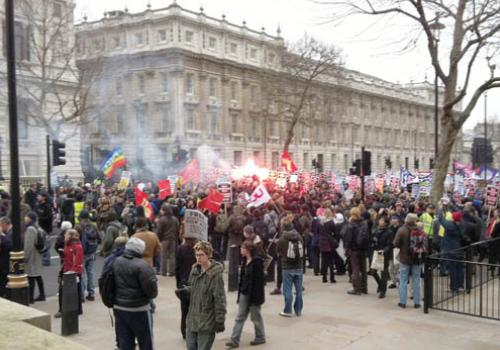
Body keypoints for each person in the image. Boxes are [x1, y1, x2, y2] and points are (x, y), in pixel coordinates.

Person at [112, 237, 158, 350]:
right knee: (146, 343)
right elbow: (152, 291)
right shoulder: (143, 266)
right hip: (139, 309)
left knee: (125, 343)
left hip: (120, 307)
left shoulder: (116, 261)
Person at [185, 241, 226, 350]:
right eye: (197, 255)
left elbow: (220, 298)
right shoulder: (194, 269)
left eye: (201, 255)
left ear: (208, 255)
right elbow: (192, 287)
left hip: (206, 321)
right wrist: (186, 291)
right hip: (192, 319)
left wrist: (220, 320)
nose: (198, 258)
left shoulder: (215, 274)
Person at [226, 240, 266, 348]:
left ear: (248, 250)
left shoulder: (257, 262)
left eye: (243, 248)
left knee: (255, 317)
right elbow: (243, 279)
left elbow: (259, 282)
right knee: (240, 316)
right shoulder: (244, 260)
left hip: (254, 295)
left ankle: (260, 337)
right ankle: (234, 340)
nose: (241, 250)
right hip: (244, 292)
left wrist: (256, 298)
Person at [393, 213, 423, 308]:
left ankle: (402, 302)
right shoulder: (419, 230)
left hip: (405, 258)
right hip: (417, 258)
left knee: (403, 280)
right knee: (416, 280)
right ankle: (417, 302)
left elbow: (396, 244)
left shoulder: (402, 230)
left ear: (406, 220)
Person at [277, 219, 304, 317]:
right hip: (299, 266)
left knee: (287, 290)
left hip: (287, 267)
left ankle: (287, 310)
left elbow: (278, 251)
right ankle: (298, 310)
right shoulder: (299, 237)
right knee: (299, 290)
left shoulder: (282, 239)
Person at [55, 229, 83, 318]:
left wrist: (74, 273)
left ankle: (64, 310)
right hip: (65, 270)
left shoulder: (77, 247)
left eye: (66, 235)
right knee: (66, 291)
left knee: (66, 291)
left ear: (71, 236)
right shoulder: (67, 245)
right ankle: (67, 309)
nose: (64, 236)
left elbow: (77, 262)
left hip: (71, 273)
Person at [175, 237, 197, 339]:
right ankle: (193, 330)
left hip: (183, 281)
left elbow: (177, 267)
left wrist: (178, 282)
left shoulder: (180, 249)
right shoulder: (199, 250)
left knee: (184, 310)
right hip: (196, 282)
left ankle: (184, 331)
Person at [343, 207, 369, 295]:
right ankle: (364, 287)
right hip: (363, 248)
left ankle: (357, 288)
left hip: (354, 249)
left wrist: (346, 248)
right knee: (364, 269)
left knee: (356, 269)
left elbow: (348, 238)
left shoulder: (351, 224)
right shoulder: (364, 223)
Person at [77, 210, 101, 301]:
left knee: (82, 273)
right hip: (92, 252)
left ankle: (81, 295)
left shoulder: (79, 226)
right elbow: (99, 239)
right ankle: (91, 293)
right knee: (90, 271)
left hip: (82, 252)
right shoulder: (93, 226)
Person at [24, 211, 46, 303]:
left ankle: (30, 298)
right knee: (37, 275)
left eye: (26, 217)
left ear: (30, 218)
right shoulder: (38, 228)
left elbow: (28, 245)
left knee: (31, 276)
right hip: (38, 254)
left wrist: (25, 257)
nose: (25, 218)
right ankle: (42, 294)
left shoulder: (30, 229)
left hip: (32, 255)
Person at [156, 205, 180, 276]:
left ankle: (163, 271)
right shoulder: (175, 219)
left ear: (164, 210)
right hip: (173, 239)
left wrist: (159, 239)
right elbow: (177, 230)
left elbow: (159, 231)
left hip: (164, 240)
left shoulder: (162, 219)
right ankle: (172, 271)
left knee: (163, 256)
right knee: (172, 255)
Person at [0, 218, 12, 298]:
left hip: (5, 265)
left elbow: (9, 246)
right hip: (4, 265)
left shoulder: (7, 238)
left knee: (4, 284)